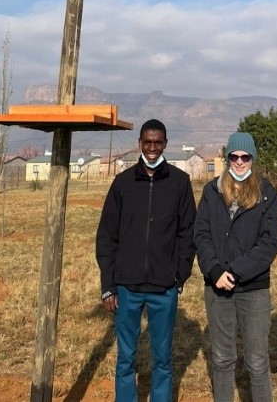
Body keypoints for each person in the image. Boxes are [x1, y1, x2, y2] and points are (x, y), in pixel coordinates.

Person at [96, 119, 196, 402]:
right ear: (139, 143)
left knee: (163, 359)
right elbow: (107, 237)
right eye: (147, 142)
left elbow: (188, 233)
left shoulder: (179, 182)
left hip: (164, 287)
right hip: (126, 287)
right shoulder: (122, 183)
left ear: (165, 144)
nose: (152, 148)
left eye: (158, 142)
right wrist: (108, 286)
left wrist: (179, 276)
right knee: (126, 358)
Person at [194, 132, 277, 402]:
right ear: (227, 157)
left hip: (253, 289)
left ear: (253, 158)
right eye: (234, 156)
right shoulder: (212, 191)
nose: (240, 162)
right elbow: (201, 235)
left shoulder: (267, 193)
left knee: (257, 361)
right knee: (222, 359)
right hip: (217, 287)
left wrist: (236, 271)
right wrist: (214, 271)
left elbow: (270, 242)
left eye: (245, 157)